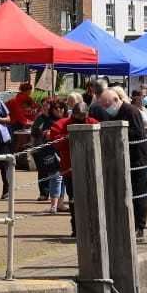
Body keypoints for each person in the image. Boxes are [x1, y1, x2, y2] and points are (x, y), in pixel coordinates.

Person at [96, 86, 147, 238]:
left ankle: (139, 227)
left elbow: (138, 133)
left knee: (139, 193)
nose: (105, 109)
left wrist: (118, 132)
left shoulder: (131, 111)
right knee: (126, 193)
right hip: (124, 159)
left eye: (107, 105)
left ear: (116, 100)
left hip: (139, 159)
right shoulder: (113, 114)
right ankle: (126, 224)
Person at [50, 101, 98, 237]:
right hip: (70, 169)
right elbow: (56, 142)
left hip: (91, 168)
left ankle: (91, 226)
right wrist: (71, 136)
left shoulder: (93, 122)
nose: (81, 120)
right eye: (78, 118)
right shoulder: (61, 124)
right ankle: (76, 227)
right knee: (73, 199)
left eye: (83, 117)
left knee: (91, 198)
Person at [31, 97, 65, 214]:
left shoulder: (64, 119)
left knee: (62, 177)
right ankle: (52, 203)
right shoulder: (43, 119)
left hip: (62, 152)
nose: (60, 110)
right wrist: (44, 133)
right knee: (54, 176)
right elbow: (36, 132)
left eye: (61, 108)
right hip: (47, 151)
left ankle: (60, 203)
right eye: (57, 108)